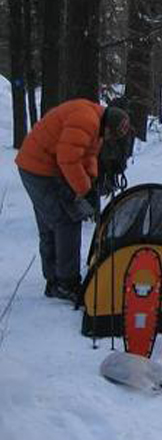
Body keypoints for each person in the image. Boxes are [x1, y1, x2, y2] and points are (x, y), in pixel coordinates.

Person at [15, 99, 131, 303]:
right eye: (112, 135)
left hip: (38, 166)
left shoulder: (95, 121)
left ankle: (54, 280)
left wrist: (92, 180)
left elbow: (88, 154)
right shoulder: (86, 120)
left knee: (52, 222)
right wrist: (83, 190)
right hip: (39, 170)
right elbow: (68, 159)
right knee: (66, 220)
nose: (110, 139)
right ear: (108, 126)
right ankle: (66, 283)